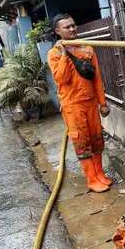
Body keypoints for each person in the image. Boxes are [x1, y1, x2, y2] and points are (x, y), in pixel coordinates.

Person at [48, 13, 112, 193]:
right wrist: (63, 54)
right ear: (57, 31)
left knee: (97, 139)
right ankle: (92, 180)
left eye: (73, 25)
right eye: (67, 27)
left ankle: (100, 174)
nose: (72, 29)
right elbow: (62, 78)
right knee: (82, 142)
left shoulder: (88, 49)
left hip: (91, 102)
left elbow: (97, 78)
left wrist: (103, 102)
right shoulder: (53, 54)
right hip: (73, 105)